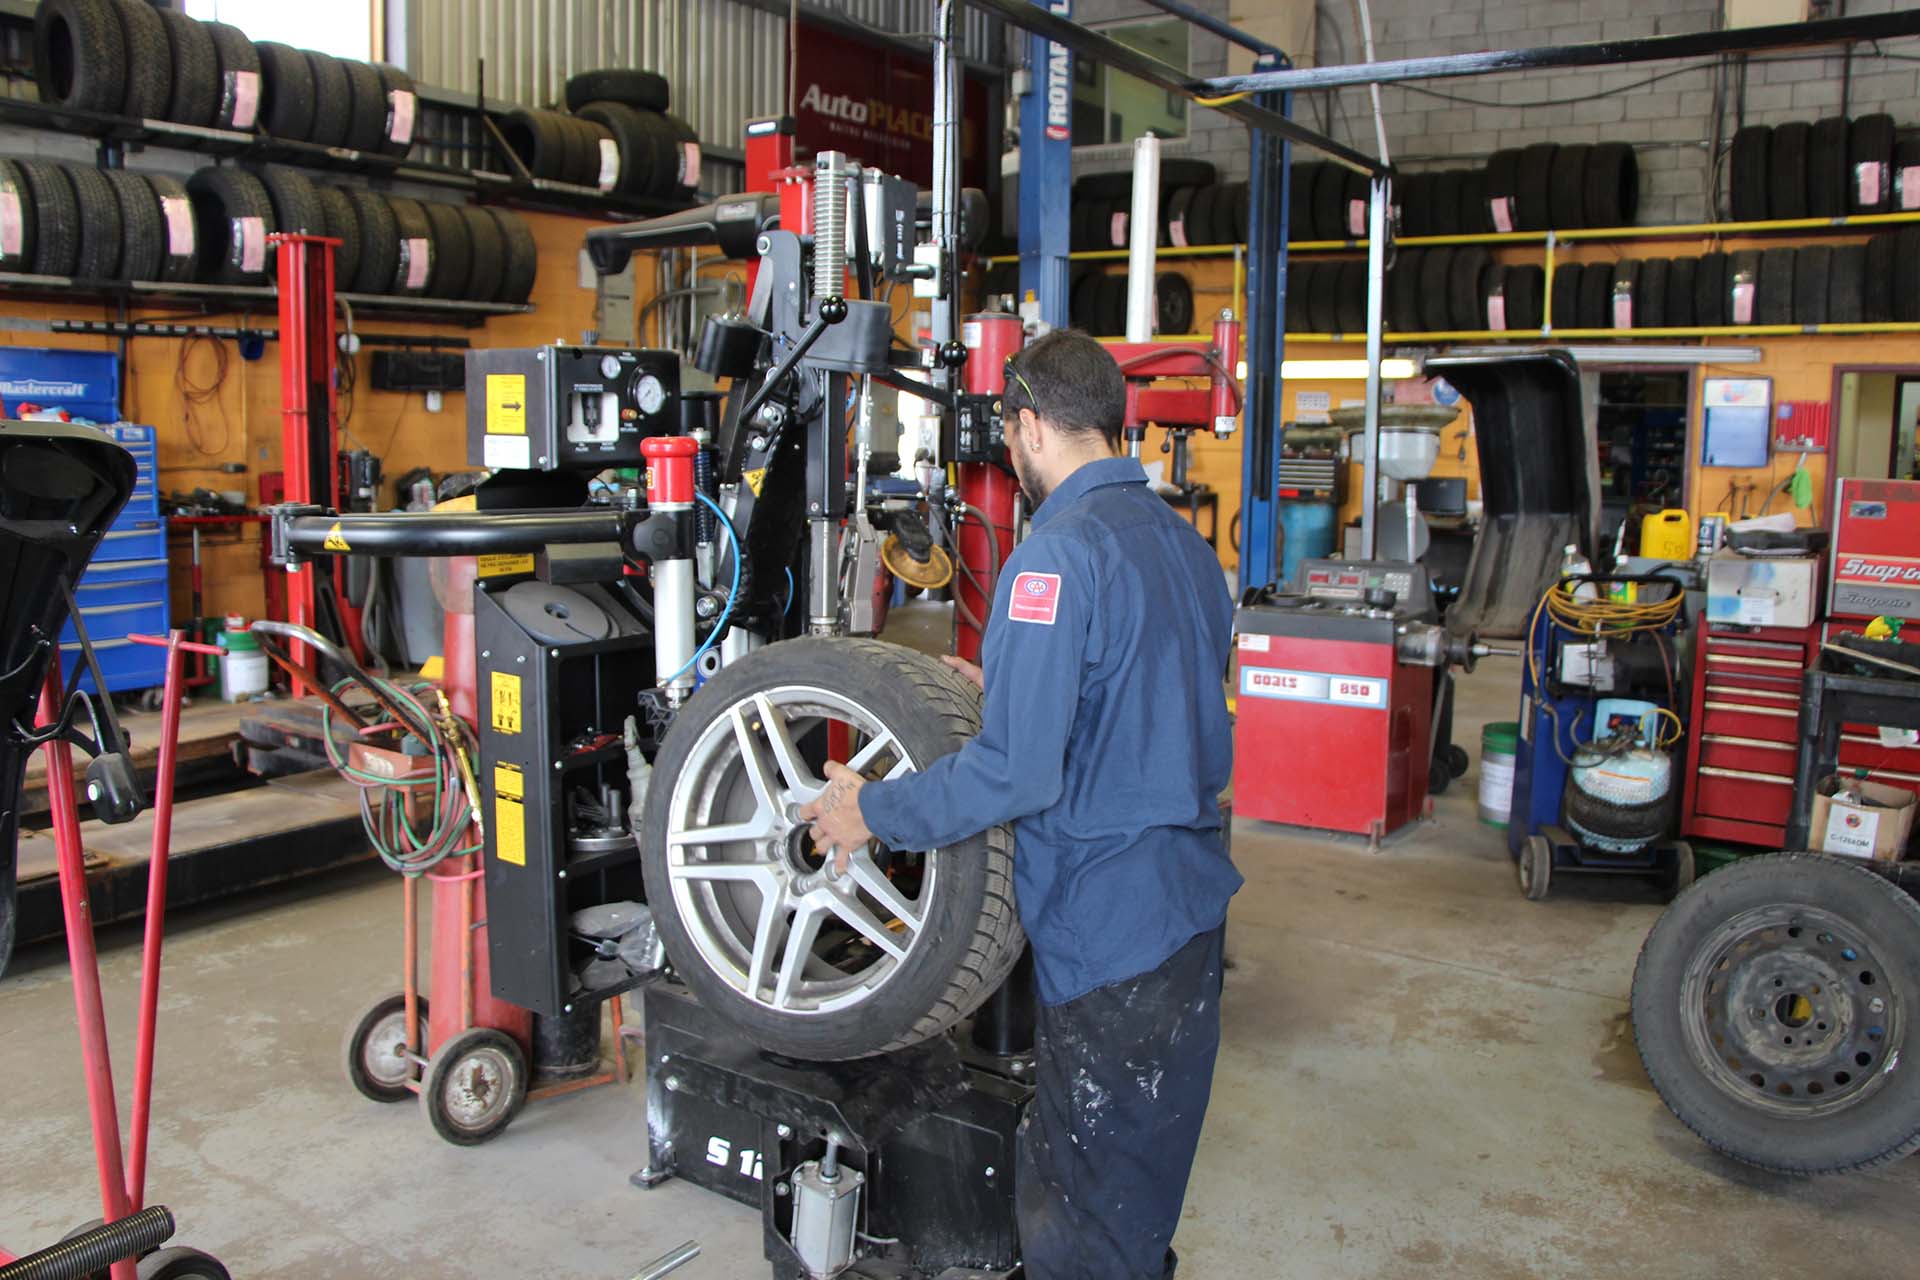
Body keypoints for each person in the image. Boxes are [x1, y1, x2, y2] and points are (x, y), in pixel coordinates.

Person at [800, 329, 1241, 1280]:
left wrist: (870, 813)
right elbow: (1144, 699)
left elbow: (1014, 777)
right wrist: (1013, 684)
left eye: (1008, 436)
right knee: (1139, 1170)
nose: (1010, 455)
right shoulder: (1187, 548)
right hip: (1188, 910)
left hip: (1108, 924)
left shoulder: (1054, 561)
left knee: (1084, 1195)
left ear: (1030, 425)